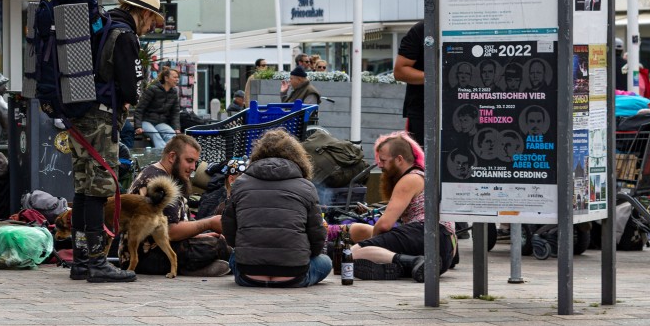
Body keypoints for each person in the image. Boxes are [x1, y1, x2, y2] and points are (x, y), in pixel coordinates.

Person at [66, 0, 160, 284]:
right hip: (101, 118)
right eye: (152, 21)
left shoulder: (103, 26)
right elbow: (132, 87)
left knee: (83, 188)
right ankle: (96, 262)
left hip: (78, 116)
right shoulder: (125, 35)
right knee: (100, 188)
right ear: (144, 12)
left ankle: (80, 260)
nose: (149, 27)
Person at [223, 129, 330, 288]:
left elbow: (230, 234)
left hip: (248, 274)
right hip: (294, 274)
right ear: (297, 156)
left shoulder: (239, 184)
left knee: (234, 257)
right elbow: (317, 237)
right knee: (326, 262)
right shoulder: (306, 187)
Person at [349, 132, 454, 282]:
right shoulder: (424, 176)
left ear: (399, 159)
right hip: (443, 249)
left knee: (350, 255)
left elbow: (384, 225)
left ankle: (412, 261)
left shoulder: (410, 179)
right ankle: (407, 264)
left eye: (383, 160)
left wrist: (372, 244)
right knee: (363, 236)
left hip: (425, 233)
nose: (380, 165)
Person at [126, 133, 229, 277]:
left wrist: (199, 234)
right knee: (219, 245)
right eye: (189, 161)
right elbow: (171, 232)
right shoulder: (159, 181)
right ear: (172, 157)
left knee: (217, 238)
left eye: (195, 162)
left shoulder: (166, 174)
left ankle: (198, 267)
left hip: (161, 248)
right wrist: (209, 223)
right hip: (146, 255)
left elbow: (179, 224)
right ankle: (189, 268)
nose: (193, 167)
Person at [394, 20, 425, 146]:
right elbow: (400, 71)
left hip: (470, 106)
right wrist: (439, 79)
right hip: (423, 112)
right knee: (423, 161)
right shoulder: (422, 29)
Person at [134, 66, 181, 148]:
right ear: (166, 78)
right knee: (155, 135)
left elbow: (175, 112)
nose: (177, 79)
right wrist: (138, 126)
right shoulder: (152, 89)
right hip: (146, 121)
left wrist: (176, 128)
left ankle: (168, 155)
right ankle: (161, 155)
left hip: (161, 123)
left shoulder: (174, 92)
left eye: (178, 77)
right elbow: (139, 109)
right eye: (174, 77)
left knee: (172, 135)